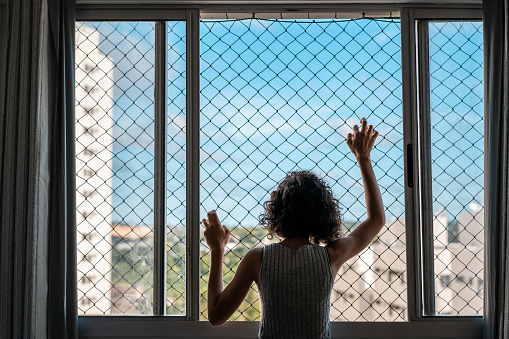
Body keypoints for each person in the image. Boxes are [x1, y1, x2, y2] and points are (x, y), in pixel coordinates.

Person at [202, 118, 385, 338]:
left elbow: (215, 315)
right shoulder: (331, 255)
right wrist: (363, 158)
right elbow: (376, 220)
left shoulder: (256, 258)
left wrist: (217, 250)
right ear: (324, 214)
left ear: (276, 212)